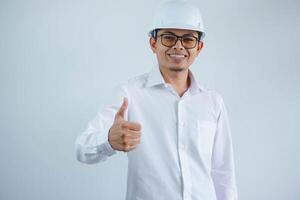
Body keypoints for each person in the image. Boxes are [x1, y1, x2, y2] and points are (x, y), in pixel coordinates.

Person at [75, 0, 238, 199]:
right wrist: (109, 140)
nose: (178, 46)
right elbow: (82, 148)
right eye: (168, 38)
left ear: (199, 47)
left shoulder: (213, 101)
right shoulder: (130, 94)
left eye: (188, 39)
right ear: (153, 43)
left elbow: (223, 175)